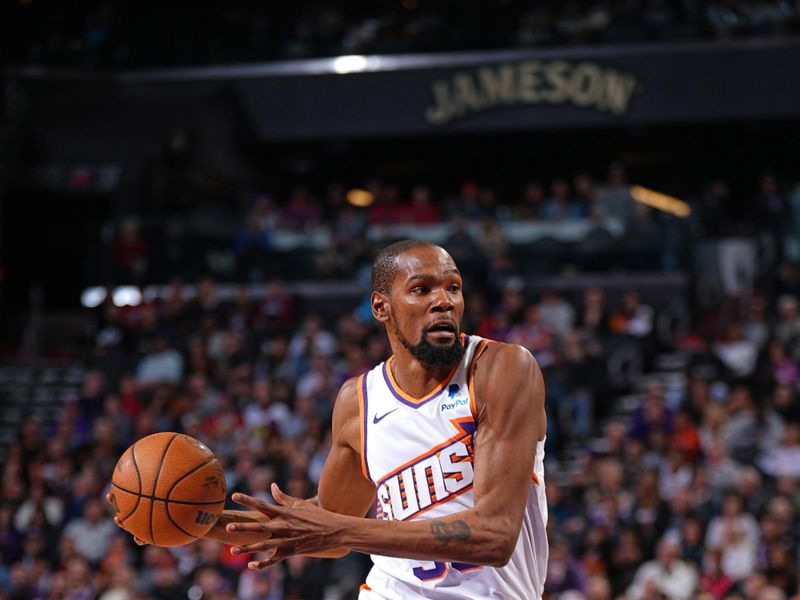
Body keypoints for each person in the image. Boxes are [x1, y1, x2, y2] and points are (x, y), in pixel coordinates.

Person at [110, 240, 549, 598]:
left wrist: (345, 529)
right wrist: (188, 519)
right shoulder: (357, 401)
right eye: (421, 290)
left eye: (453, 288)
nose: (443, 302)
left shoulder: (501, 369)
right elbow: (323, 527)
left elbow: (493, 536)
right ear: (382, 307)